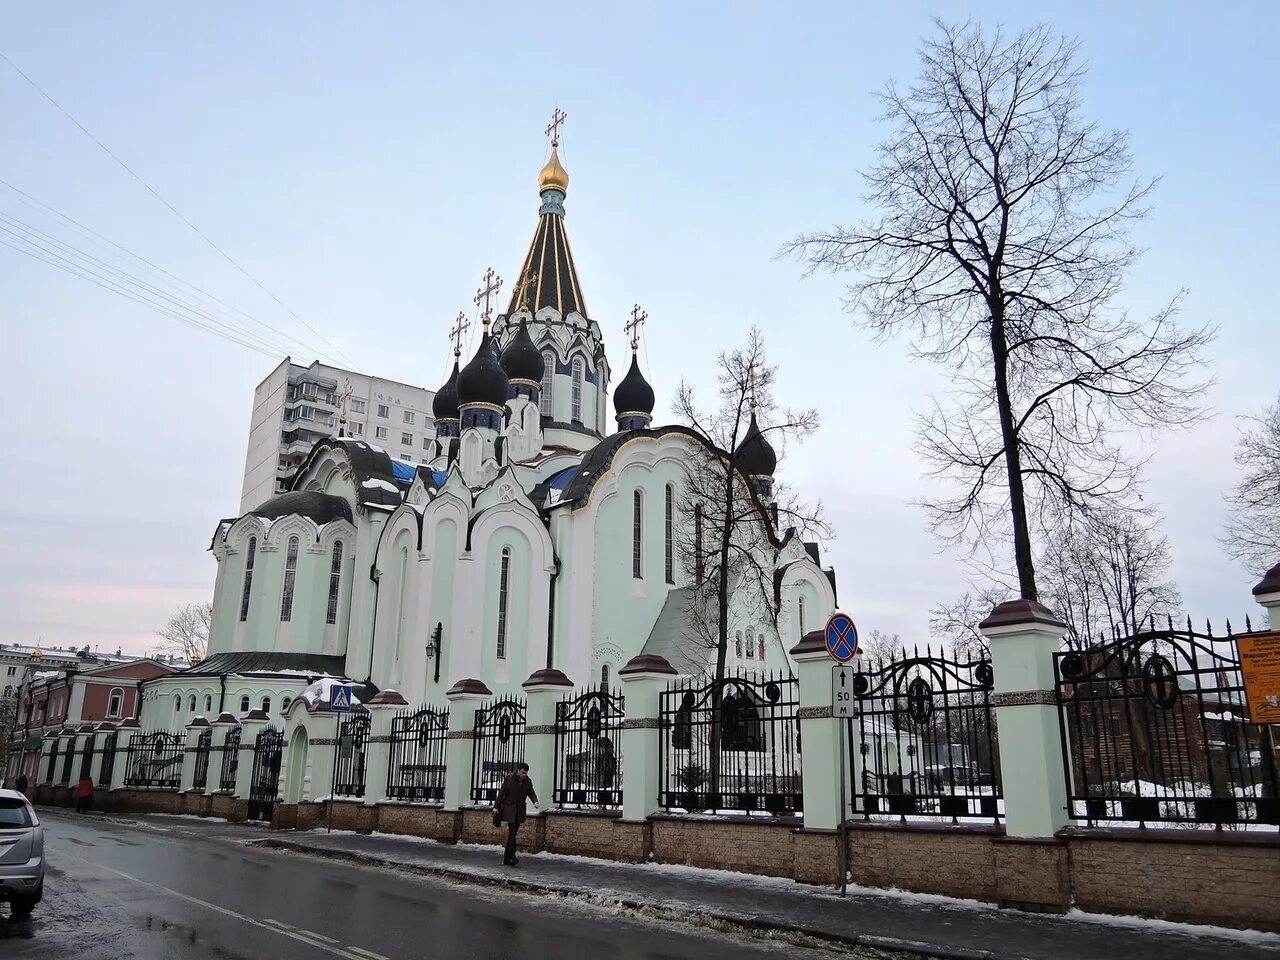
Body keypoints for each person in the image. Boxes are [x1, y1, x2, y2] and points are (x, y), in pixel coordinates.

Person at [493, 762, 538, 866]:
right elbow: (501, 794)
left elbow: (531, 792)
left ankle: (507, 858)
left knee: (513, 834)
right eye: (523, 773)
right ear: (518, 771)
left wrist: (535, 801)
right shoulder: (509, 779)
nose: (524, 775)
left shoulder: (527, 781)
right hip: (509, 809)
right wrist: (496, 807)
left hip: (520, 811)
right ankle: (511, 856)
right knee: (513, 832)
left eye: (526, 773)